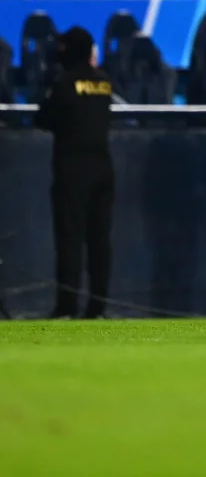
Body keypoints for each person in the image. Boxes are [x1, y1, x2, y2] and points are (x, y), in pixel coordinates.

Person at [36, 26, 114, 319]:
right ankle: (97, 306)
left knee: (70, 239)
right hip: (103, 168)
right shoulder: (104, 82)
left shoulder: (65, 84)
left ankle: (67, 305)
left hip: (73, 168)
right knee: (99, 240)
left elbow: (43, 117)